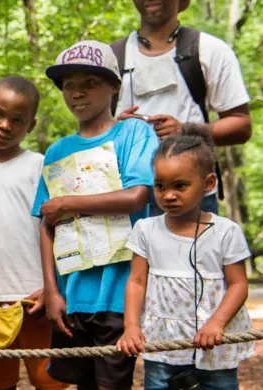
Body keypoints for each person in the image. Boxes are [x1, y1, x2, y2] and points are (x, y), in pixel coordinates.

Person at [33, 40, 160, 389]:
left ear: (114, 86)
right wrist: (52, 291)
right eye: (69, 85)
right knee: (82, 384)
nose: (78, 93)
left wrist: (69, 204)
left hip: (120, 293)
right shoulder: (57, 151)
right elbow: (46, 225)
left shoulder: (133, 133)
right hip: (72, 293)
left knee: (112, 384)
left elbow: (137, 196)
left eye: (90, 83)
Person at [116, 126, 255, 389]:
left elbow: (238, 284)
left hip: (216, 347)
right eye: (160, 186)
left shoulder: (226, 231)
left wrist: (217, 323)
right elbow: (136, 281)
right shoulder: (146, 229)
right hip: (163, 344)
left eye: (180, 186)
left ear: (208, 184)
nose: (168, 195)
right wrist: (131, 326)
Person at [0, 75, 68, 390]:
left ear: (30, 126)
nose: (5, 125)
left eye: (17, 120)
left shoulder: (43, 166)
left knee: (50, 381)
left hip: (37, 297)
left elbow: (62, 230)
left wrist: (53, 287)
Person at [113, 0, 252, 215]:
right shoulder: (113, 57)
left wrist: (186, 131)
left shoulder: (210, 50)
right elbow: (90, 131)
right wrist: (117, 130)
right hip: (125, 199)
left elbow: (241, 125)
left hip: (193, 198)